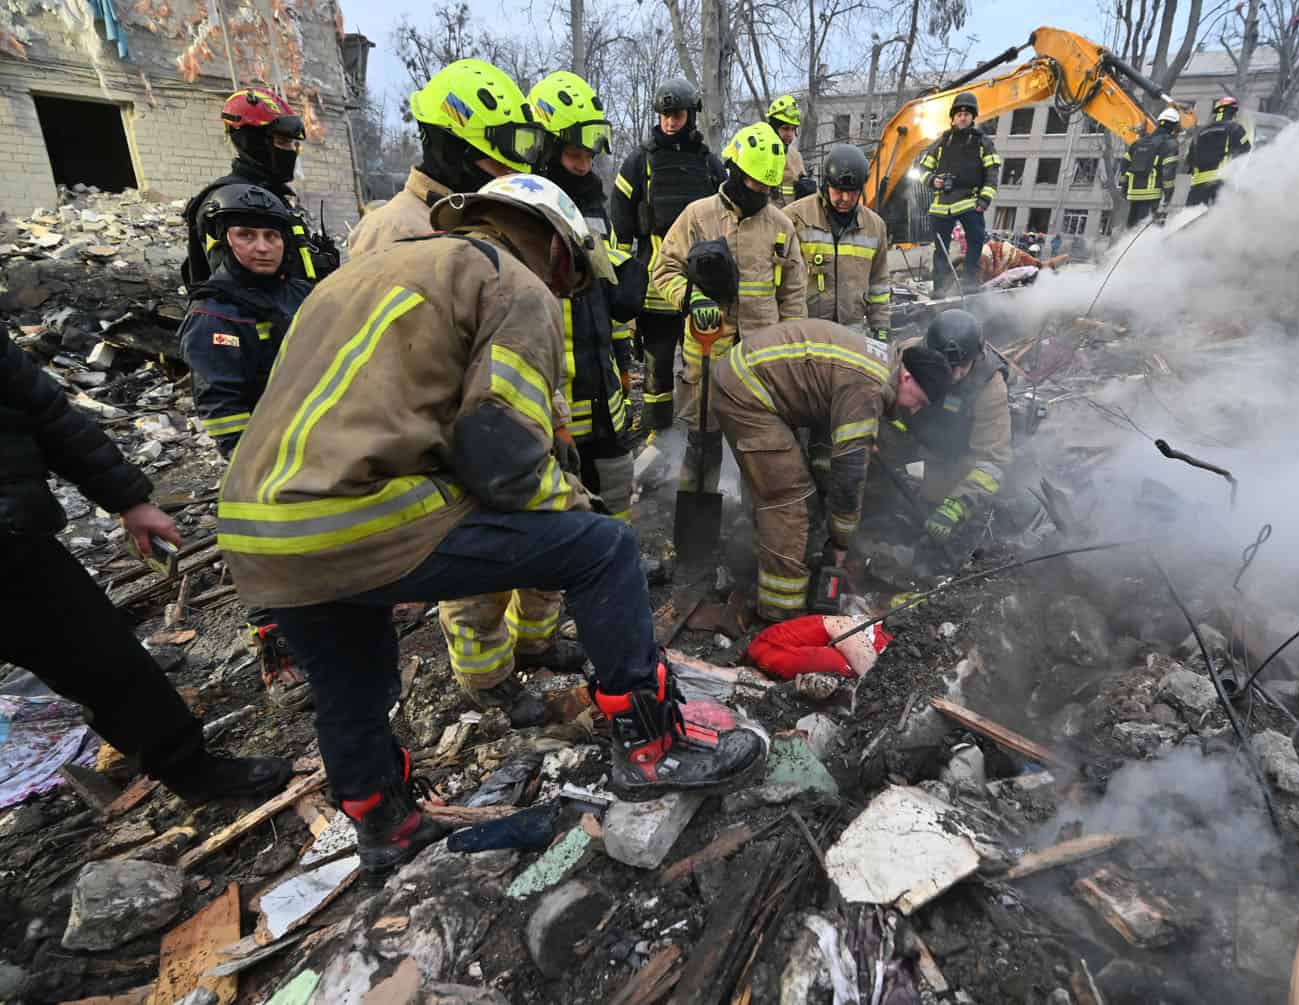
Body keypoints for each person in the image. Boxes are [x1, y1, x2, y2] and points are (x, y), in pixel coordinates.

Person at [216, 174, 767, 872]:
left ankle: (383, 822)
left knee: (351, 680)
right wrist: (577, 511)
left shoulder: (358, 273)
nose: (568, 294)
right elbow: (497, 444)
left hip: (257, 534)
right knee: (604, 548)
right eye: (572, 279)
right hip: (358, 511)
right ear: (558, 250)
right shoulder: (513, 279)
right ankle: (651, 747)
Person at [340, 61, 578, 711]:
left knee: (545, 534)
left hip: (502, 411)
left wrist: (551, 418)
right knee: (480, 565)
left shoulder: (484, 219)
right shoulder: (395, 229)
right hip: (445, 429)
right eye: (498, 155)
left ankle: (534, 643)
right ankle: (487, 680)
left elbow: (512, 333)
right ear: (457, 146)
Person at [0, 329, 292, 804]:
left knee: (103, 656)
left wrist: (128, 500)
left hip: (14, 543)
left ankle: (191, 770)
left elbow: (47, 412)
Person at [708, 313, 952, 622]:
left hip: (751, 377)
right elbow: (849, 479)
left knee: (785, 482)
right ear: (907, 378)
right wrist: (839, 544)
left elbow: (827, 447)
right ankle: (781, 612)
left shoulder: (882, 363)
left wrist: (824, 500)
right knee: (789, 500)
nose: (914, 410)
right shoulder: (870, 389)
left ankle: (762, 556)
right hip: (746, 392)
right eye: (920, 400)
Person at [178, 183, 314, 708]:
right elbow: (223, 407)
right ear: (221, 241)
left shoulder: (302, 294)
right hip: (264, 460)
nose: (262, 246)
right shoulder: (216, 316)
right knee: (265, 553)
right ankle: (277, 650)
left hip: (319, 446)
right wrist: (256, 467)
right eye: (246, 235)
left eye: (271, 236)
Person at [652, 121, 807, 498]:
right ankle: (695, 526)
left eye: (767, 187)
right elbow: (663, 269)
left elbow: (794, 293)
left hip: (760, 357)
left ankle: (752, 523)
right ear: (735, 170)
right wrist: (691, 298)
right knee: (702, 445)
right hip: (706, 354)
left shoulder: (781, 226)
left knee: (757, 446)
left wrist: (789, 351)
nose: (760, 192)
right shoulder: (698, 216)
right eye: (754, 183)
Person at [528, 70, 648, 522]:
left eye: (589, 155)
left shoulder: (596, 207)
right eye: (574, 155)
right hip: (558, 397)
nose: (583, 166)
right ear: (546, 148)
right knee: (566, 507)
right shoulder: (526, 211)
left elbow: (609, 283)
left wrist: (624, 356)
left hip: (605, 386)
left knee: (617, 489)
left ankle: (622, 562)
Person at [609, 78, 726, 434]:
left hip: (701, 289)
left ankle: (701, 432)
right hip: (655, 287)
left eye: (676, 114)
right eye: (664, 115)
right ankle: (657, 435)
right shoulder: (638, 163)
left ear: (690, 115)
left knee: (701, 366)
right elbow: (620, 224)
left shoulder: (710, 165)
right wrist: (620, 284)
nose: (670, 122)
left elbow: (728, 218)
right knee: (657, 367)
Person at [346, 59, 544, 257]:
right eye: (498, 164)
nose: (507, 180)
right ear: (451, 152)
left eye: (514, 170)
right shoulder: (388, 232)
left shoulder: (496, 224)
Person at [182, 88, 340, 286]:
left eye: (292, 144)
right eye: (283, 142)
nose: (291, 152)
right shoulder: (237, 201)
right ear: (253, 141)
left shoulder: (269, 196)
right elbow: (244, 288)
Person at [880, 310, 1012, 546]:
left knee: (936, 507)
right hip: (910, 439)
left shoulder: (990, 387)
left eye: (961, 366)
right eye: (944, 365)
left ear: (976, 357)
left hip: (955, 459)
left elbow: (993, 461)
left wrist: (957, 506)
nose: (952, 375)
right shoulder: (908, 354)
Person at [783, 143, 891, 338]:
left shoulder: (875, 227)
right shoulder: (794, 218)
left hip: (851, 332)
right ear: (826, 184)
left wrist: (881, 327)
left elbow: (879, 283)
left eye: (853, 192)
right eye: (839, 190)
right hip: (806, 331)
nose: (846, 198)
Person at [918, 92, 1000, 294]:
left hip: (970, 203)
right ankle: (940, 288)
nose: (962, 117)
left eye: (967, 113)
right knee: (941, 250)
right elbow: (922, 169)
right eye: (959, 113)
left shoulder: (983, 142)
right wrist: (932, 180)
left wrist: (985, 199)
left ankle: (970, 283)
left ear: (973, 117)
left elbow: (992, 171)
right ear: (953, 117)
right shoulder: (942, 142)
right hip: (941, 205)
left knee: (975, 241)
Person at [1121, 108, 1182, 227]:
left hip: (1133, 194)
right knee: (1150, 231)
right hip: (1153, 196)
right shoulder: (1170, 144)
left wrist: (1124, 188)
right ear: (1174, 127)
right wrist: (1168, 197)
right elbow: (1168, 173)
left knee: (1131, 230)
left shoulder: (1139, 142)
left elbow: (1124, 164)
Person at [1186, 96, 1251, 207]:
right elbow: (1246, 152)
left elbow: (1189, 160)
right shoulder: (1235, 128)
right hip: (1220, 183)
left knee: (1192, 220)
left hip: (1197, 187)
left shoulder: (1199, 133)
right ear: (1233, 112)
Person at [766, 94, 813, 209]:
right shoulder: (761, 152)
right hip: (765, 220)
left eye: (793, 129)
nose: (790, 134)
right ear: (773, 128)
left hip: (791, 218)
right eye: (785, 128)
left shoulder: (795, 155)